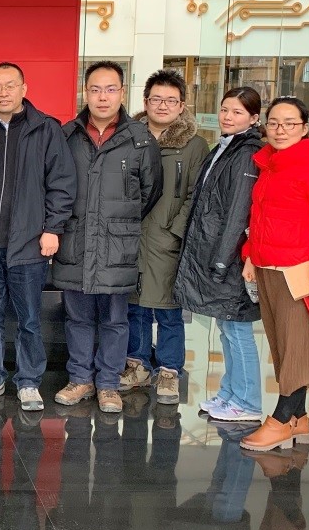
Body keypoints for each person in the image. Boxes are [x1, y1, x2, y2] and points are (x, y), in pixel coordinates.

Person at [0, 62, 77, 412]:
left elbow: (62, 183)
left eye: (10, 85)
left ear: (24, 89)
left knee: (29, 319)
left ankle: (28, 381)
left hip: (29, 243)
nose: (3, 92)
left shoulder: (46, 130)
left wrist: (53, 228)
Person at [52, 61, 162, 415]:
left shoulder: (140, 140)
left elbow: (150, 192)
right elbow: (53, 186)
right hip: (76, 241)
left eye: (111, 89)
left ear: (122, 93)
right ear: (85, 92)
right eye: (96, 89)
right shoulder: (67, 136)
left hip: (118, 244)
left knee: (115, 319)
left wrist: (119, 222)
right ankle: (80, 379)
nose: (103, 97)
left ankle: (109, 383)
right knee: (77, 318)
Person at [239, 97, 309, 454]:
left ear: (305, 128)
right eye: (274, 123)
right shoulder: (268, 165)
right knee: (280, 345)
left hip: (298, 271)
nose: (280, 130)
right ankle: (299, 419)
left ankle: (281, 420)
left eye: (290, 123)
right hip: (267, 266)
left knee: (295, 346)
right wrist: (250, 255)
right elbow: (258, 216)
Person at [173, 86, 266, 424]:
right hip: (220, 253)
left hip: (232, 258)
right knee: (227, 328)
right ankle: (230, 392)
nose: (228, 116)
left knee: (238, 331)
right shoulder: (228, 146)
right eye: (225, 109)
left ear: (254, 118)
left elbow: (239, 211)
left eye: (237, 112)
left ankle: (248, 401)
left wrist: (223, 260)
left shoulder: (247, 153)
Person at [123, 70, 207, 405]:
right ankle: (137, 365)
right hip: (130, 237)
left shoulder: (194, 145)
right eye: (156, 99)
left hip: (167, 238)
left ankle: (170, 370)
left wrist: (175, 231)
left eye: (171, 100)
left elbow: (196, 195)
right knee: (134, 305)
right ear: (145, 102)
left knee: (170, 310)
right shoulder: (129, 137)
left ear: (182, 105)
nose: (163, 105)